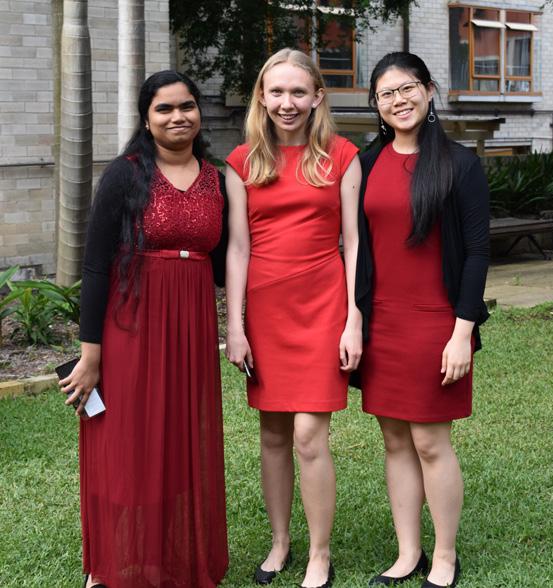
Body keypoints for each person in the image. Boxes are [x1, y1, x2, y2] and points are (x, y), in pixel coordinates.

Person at [58, 71, 229, 588]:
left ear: (199, 112)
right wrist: (91, 354)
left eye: (187, 106)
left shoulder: (217, 179)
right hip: (130, 324)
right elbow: (95, 266)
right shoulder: (125, 174)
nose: (178, 116)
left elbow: (227, 263)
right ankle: (110, 566)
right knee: (127, 441)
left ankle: (171, 559)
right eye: (164, 109)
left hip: (192, 326)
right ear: (146, 118)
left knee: (179, 441)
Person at [225, 48, 362, 588]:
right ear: (262, 96)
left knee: (309, 435)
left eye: (298, 92)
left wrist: (354, 319)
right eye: (277, 91)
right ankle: (280, 542)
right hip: (266, 309)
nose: (287, 102)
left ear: (317, 98)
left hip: (324, 304)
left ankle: (319, 554)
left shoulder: (342, 157)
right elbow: (238, 249)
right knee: (273, 434)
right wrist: (234, 326)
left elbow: (354, 244)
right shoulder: (241, 162)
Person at [355, 52, 490, 588]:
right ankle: (408, 552)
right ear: (377, 104)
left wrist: (462, 332)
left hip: (436, 324)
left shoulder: (459, 164)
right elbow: (355, 247)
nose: (399, 100)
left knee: (431, 443)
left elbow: (477, 253)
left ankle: (445, 556)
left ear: (429, 91)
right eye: (386, 94)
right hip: (381, 323)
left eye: (407, 88)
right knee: (394, 441)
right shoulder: (366, 163)